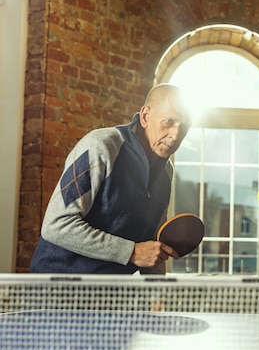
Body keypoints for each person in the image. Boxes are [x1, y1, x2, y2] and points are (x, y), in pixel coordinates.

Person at [30, 84, 191, 274]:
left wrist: (156, 296)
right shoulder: (100, 146)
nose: (176, 135)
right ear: (146, 117)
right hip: (55, 293)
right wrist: (131, 252)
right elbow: (56, 225)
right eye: (168, 121)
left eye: (185, 126)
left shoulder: (166, 173)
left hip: (111, 296)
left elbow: (153, 246)